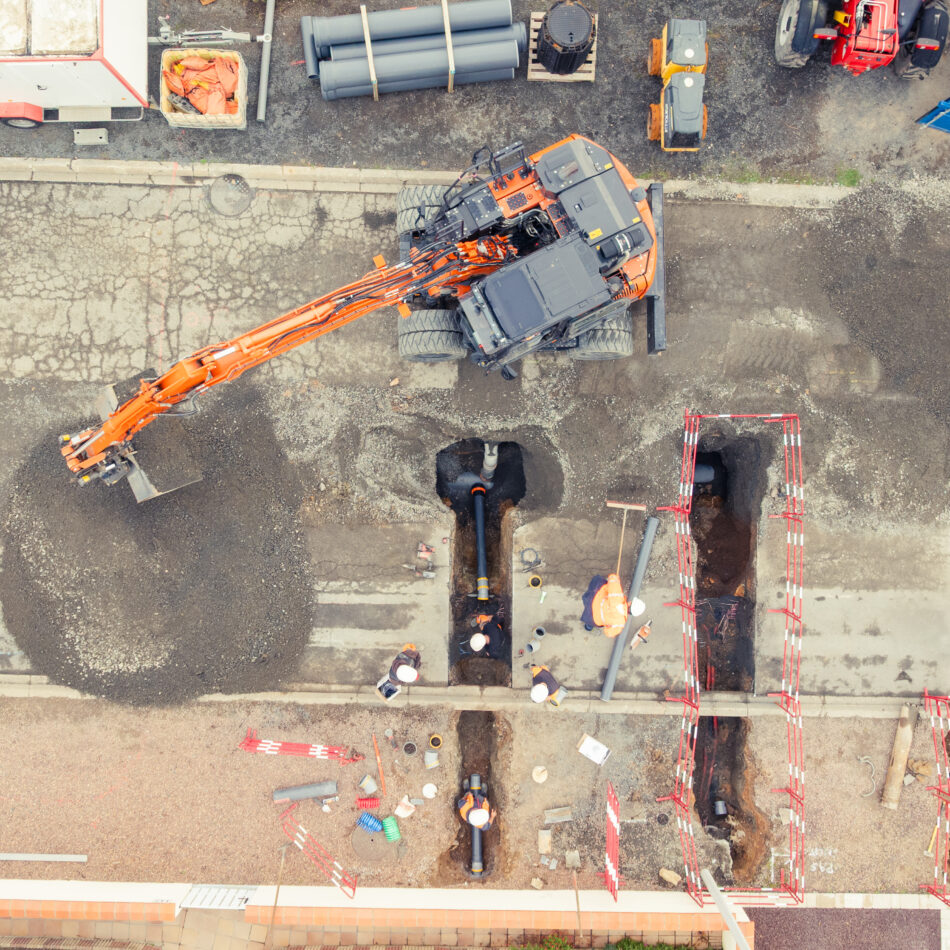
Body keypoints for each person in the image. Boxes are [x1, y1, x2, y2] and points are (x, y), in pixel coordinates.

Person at [580, 572, 628, 637]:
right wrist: (607, 625)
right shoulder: (620, 623)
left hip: (594, 600)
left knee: (599, 582)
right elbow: (609, 633)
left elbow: (612, 578)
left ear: (630, 603)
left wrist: (616, 579)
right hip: (593, 618)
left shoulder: (618, 598)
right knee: (591, 622)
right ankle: (588, 627)